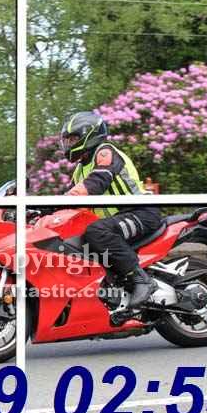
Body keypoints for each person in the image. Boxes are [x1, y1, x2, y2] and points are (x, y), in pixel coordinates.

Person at [60, 111, 163, 312]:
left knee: (96, 232)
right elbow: (69, 201)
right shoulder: (80, 169)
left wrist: (61, 201)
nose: (69, 144)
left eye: (73, 138)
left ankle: (141, 279)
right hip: (118, 219)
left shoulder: (105, 152)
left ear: (89, 135)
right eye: (67, 140)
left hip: (141, 212)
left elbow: (98, 181)